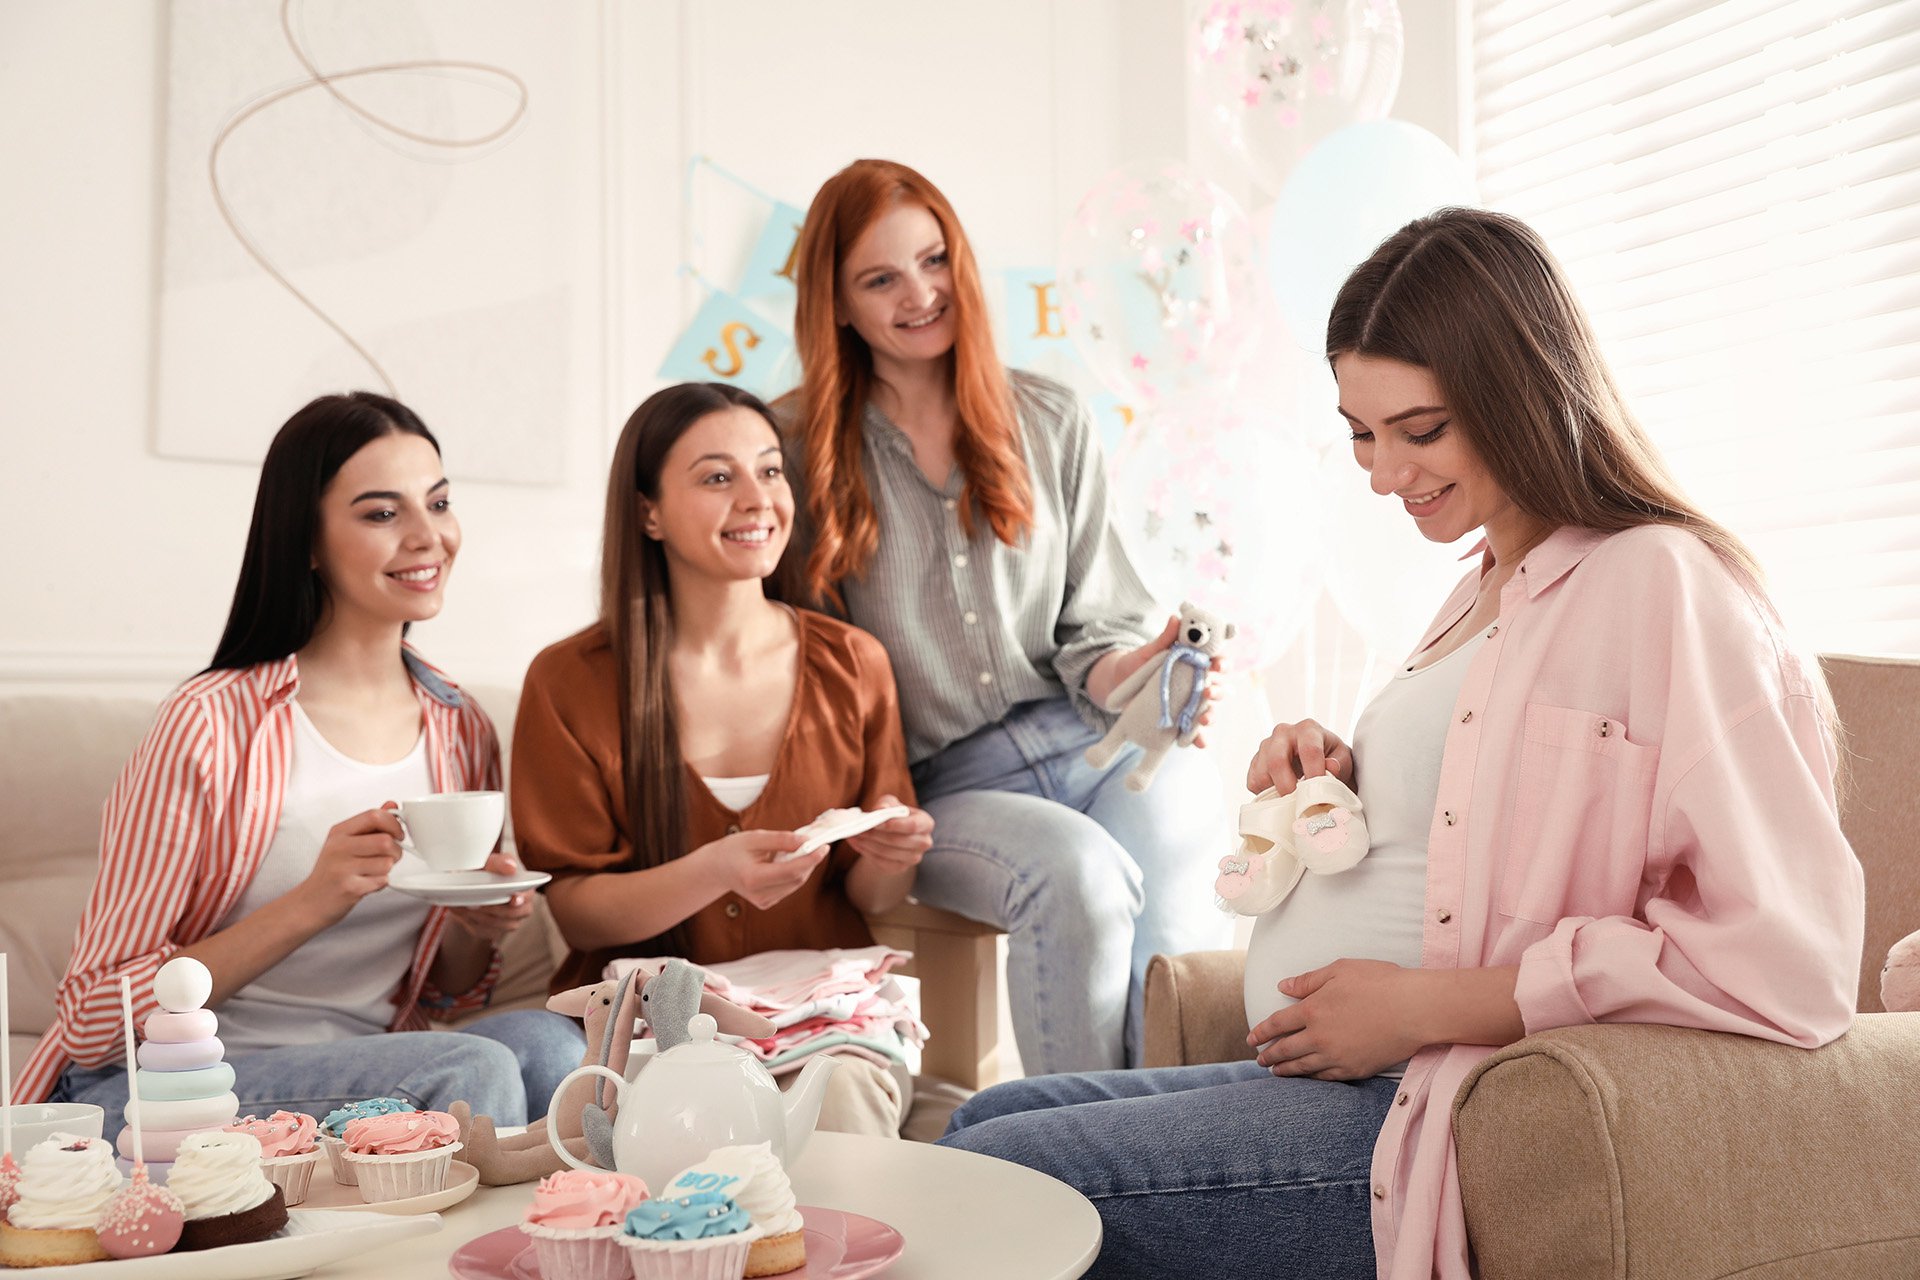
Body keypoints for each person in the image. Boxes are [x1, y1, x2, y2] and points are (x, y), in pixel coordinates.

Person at [937, 207, 1865, 1280]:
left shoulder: (1657, 580)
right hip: (1358, 1083)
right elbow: (1480, 830)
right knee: (986, 1119)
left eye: (1420, 431)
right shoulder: (1477, 587)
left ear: (1522, 391)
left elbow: (1786, 956)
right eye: (1361, 433)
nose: (1384, 474)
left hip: (1431, 1108)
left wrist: (1423, 1005)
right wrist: (1338, 775)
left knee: (995, 1180)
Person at [20, 392, 584, 1135]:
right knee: (470, 1072)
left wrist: (472, 925)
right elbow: (95, 1018)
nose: (429, 536)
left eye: (438, 503)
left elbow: (444, 1002)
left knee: (555, 1048)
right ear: (308, 541)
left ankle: (537, 1246)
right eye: (382, 514)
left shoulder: (459, 727)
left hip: (368, 1062)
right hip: (165, 1086)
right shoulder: (211, 724)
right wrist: (317, 897)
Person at [781, 158, 1232, 1073]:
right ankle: (1081, 1164)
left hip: (1092, 743)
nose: (921, 294)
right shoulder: (792, 450)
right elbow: (804, 671)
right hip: (943, 790)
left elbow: (1092, 636)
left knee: (1185, 844)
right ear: (838, 304)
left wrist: (1143, 668)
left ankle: (1171, 1148)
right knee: (1077, 875)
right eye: (882, 278)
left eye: (934, 260)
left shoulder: (1050, 418)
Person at [510, 381, 933, 1137]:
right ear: (648, 512)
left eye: (770, 471)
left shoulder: (853, 662)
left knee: (838, 1105)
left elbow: (875, 898)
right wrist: (715, 870)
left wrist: (892, 852)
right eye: (716, 476)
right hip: (644, 1031)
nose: (757, 498)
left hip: (816, 1026)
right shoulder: (569, 678)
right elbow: (576, 911)